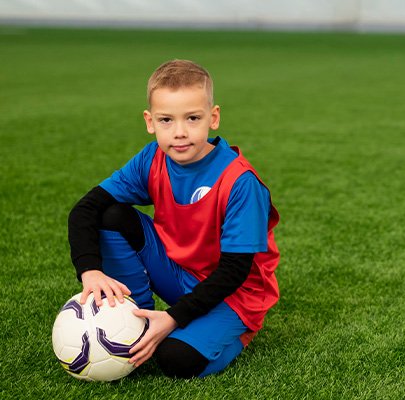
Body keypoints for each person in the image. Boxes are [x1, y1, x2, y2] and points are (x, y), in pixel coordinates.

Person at [67, 59, 280, 378]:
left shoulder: (240, 182)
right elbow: (86, 209)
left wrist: (174, 318)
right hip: (179, 272)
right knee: (111, 215)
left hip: (234, 293)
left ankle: (238, 334)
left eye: (193, 118)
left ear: (214, 117)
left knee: (175, 359)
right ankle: (136, 317)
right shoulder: (152, 159)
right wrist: (90, 270)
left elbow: (235, 271)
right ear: (150, 122)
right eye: (166, 120)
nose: (179, 132)